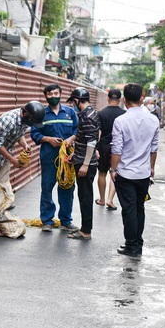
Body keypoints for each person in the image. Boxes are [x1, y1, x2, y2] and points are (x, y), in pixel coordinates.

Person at [111, 83, 159, 257]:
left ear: (124, 100)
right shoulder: (153, 119)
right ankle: (138, 242)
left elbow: (117, 149)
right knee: (139, 208)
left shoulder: (121, 121)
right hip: (144, 173)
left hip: (125, 172)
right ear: (141, 98)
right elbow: (154, 148)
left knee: (129, 209)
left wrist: (113, 169)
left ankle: (132, 245)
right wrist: (152, 167)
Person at [0, 101, 45, 236]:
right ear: (25, 114)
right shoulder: (8, 121)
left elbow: (19, 134)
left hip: (4, 156)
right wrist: (14, 161)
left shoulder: (24, 119)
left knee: (3, 190)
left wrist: (25, 146)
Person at [30, 84, 79, 233]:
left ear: (61, 94)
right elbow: (35, 133)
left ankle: (65, 220)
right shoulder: (41, 114)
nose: (53, 96)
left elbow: (78, 130)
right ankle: (47, 220)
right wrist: (48, 139)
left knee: (67, 187)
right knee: (47, 188)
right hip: (48, 157)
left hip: (67, 158)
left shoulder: (70, 112)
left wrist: (72, 138)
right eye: (49, 94)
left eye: (55, 93)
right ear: (45, 96)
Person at [65, 88, 100, 240]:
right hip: (82, 158)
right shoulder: (91, 112)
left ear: (78, 100)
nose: (73, 104)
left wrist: (85, 164)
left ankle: (86, 231)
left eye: (73, 101)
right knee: (84, 195)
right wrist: (76, 153)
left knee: (85, 197)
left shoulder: (87, 116)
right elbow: (86, 139)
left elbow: (92, 141)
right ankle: (85, 228)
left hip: (86, 164)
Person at [96, 89, 125, 211]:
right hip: (118, 146)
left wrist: (96, 148)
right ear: (120, 100)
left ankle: (102, 199)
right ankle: (110, 200)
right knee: (115, 173)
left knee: (102, 173)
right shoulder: (124, 114)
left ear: (108, 98)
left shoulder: (101, 113)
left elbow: (99, 132)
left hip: (103, 145)